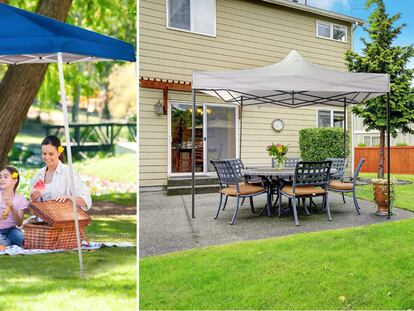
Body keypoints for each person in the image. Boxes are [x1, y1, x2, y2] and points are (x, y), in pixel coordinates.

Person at [30, 135, 92, 211]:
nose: (47, 157)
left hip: (64, 220)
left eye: (51, 154)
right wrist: (34, 199)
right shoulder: (39, 175)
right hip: (43, 220)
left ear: (59, 152)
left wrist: (69, 198)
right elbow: (34, 208)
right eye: (44, 153)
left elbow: (86, 200)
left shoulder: (68, 173)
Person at [0, 167, 28, 248]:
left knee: (25, 242)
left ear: (14, 180)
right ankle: (7, 243)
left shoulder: (20, 199)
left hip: (12, 230)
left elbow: (19, 223)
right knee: (4, 244)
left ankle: (7, 242)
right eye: (0, 177)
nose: (2, 179)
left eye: (5, 177)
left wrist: (12, 207)